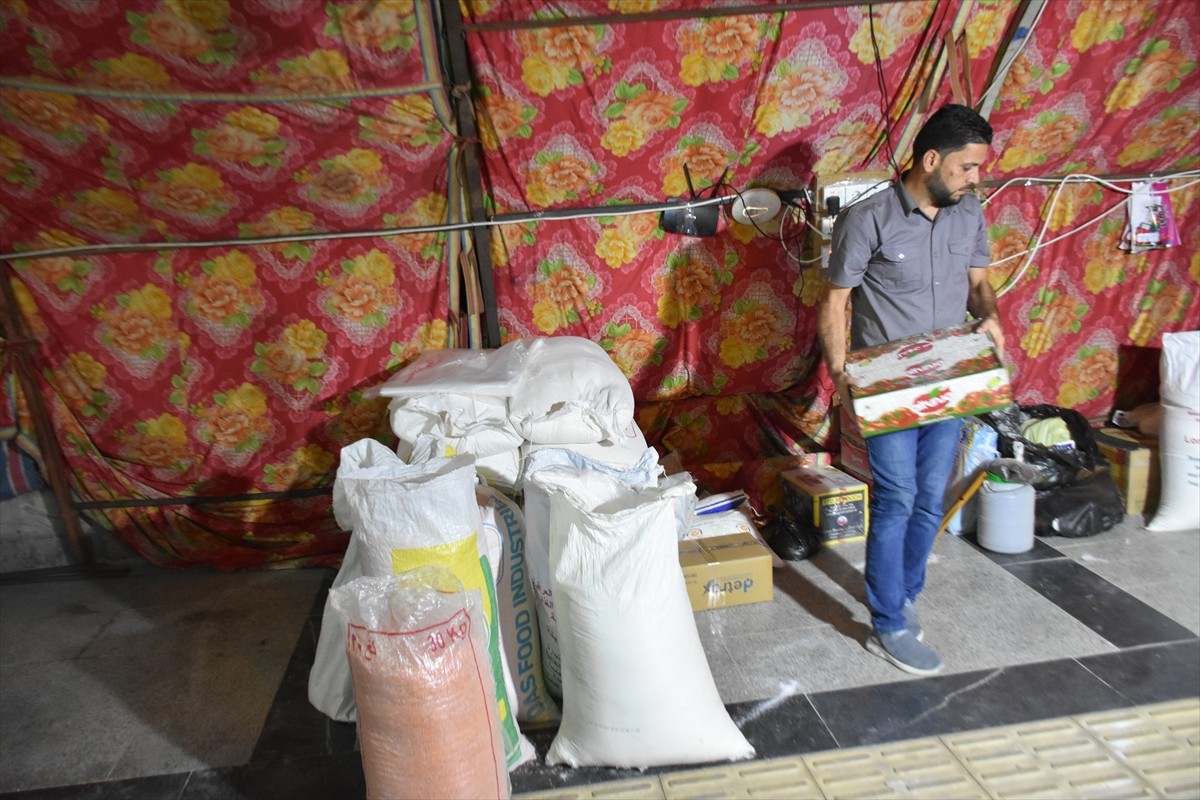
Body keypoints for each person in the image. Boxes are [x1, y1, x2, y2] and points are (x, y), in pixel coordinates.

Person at [816, 103, 1006, 676]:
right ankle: (888, 623)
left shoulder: (968, 214)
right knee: (896, 497)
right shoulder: (868, 219)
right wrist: (841, 373)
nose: (974, 178)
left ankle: (903, 592)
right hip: (887, 385)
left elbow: (979, 283)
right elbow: (835, 301)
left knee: (930, 497)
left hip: (949, 379)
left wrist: (990, 315)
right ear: (930, 160)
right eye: (966, 167)